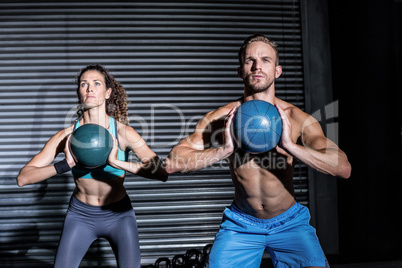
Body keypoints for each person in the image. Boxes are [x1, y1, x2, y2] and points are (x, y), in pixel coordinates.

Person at [165, 34, 351, 268]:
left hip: (290, 222)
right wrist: (224, 150)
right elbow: (172, 163)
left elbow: (343, 168)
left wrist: (291, 146)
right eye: (249, 61)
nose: (257, 66)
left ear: (277, 70)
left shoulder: (296, 118)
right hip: (241, 224)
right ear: (240, 71)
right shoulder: (221, 118)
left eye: (265, 60)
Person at [17, 64, 168, 268]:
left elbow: (161, 172)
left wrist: (117, 162)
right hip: (80, 215)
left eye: (96, 84)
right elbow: (23, 178)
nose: (89, 89)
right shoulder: (66, 137)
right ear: (79, 93)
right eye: (84, 84)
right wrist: (65, 165)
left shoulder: (123, 133)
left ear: (107, 93)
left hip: (119, 215)